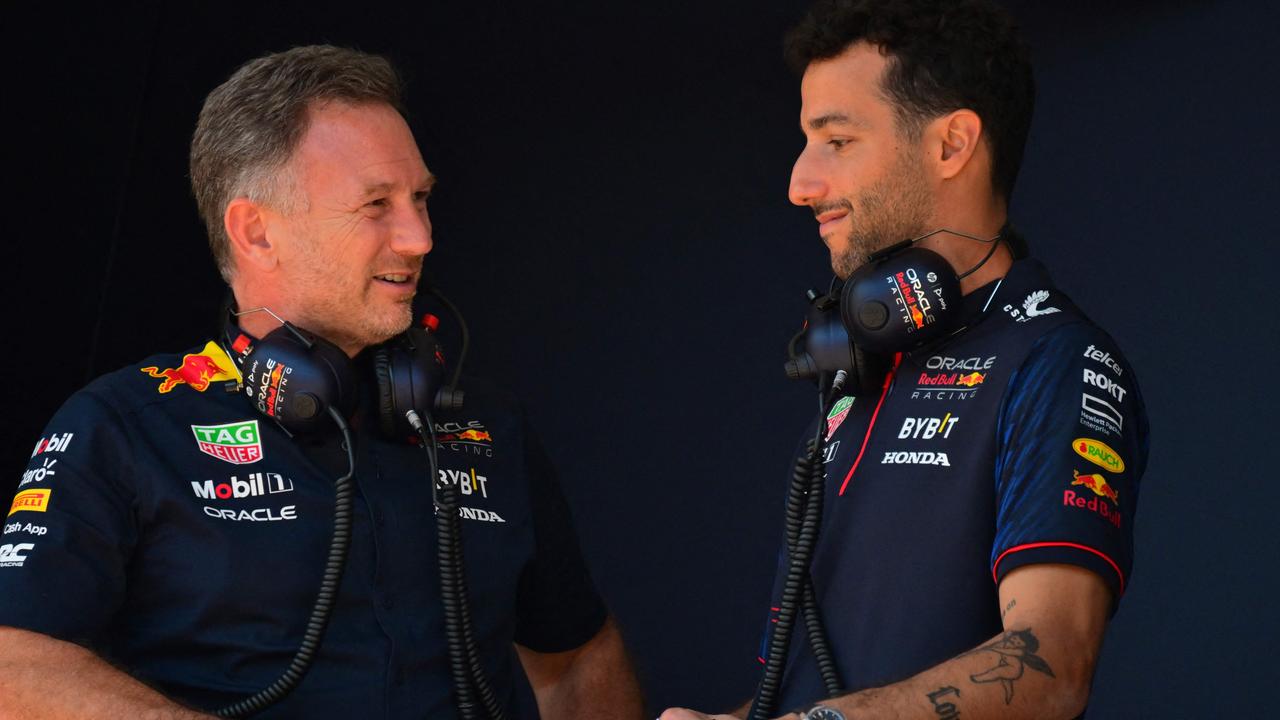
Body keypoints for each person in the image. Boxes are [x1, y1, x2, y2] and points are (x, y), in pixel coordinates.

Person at [0, 45, 643, 719]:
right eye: (377, 203)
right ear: (255, 232)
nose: (419, 237)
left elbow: (575, 661)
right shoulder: (124, 424)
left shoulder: (484, 422)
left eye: (420, 198)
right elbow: (15, 666)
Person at [662, 1, 1148, 719]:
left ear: (951, 144)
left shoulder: (1055, 360)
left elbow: (1052, 662)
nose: (799, 183)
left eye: (836, 140)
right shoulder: (867, 358)